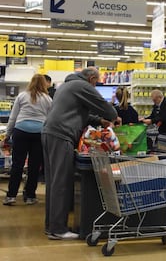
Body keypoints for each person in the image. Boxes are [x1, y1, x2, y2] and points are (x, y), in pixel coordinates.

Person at [42, 67, 119, 240]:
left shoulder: (67, 85)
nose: (96, 85)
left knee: (54, 182)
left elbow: (79, 114)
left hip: (49, 133)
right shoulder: (82, 86)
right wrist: (112, 117)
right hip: (62, 135)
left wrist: (99, 121)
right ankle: (58, 230)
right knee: (62, 182)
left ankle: (52, 225)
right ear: (91, 79)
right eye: (96, 82)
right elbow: (109, 110)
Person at [3, 74, 52, 206]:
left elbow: (13, 117)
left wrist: (7, 135)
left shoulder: (22, 96)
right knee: (34, 166)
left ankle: (11, 196)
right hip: (39, 133)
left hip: (21, 131)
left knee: (17, 165)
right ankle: (30, 196)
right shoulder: (48, 99)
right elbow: (50, 120)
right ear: (44, 84)